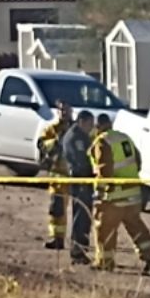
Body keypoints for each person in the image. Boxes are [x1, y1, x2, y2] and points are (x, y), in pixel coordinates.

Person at [89, 113, 150, 275]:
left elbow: (104, 171)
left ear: (97, 127)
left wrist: (99, 193)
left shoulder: (102, 142)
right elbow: (138, 161)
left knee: (104, 229)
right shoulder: (124, 138)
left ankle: (104, 262)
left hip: (114, 196)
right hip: (134, 194)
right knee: (136, 226)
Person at [36, 101, 73, 250]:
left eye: (66, 110)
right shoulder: (52, 129)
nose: (64, 113)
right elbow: (42, 144)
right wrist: (56, 142)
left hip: (76, 177)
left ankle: (80, 243)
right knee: (56, 210)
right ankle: (57, 239)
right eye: (61, 110)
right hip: (58, 178)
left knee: (81, 213)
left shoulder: (77, 128)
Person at [60, 110, 96, 265]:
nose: (91, 127)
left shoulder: (81, 136)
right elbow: (81, 161)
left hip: (84, 182)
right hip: (80, 182)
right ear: (82, 121)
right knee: (80, 218)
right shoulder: (75, 137)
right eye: (90, 124)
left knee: (85, 217)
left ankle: (80, 249)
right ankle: (77, 251)